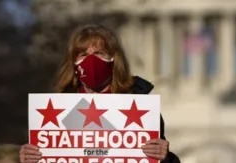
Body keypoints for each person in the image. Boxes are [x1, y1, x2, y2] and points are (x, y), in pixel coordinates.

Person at [19, 24, 179, 163]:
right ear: (73, 63)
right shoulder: (55, 110)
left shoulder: (141, 106)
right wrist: (29, 159)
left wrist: (165, 159)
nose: (91, 61)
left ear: (114, 59)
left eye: (99, 53)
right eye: (83, 55)